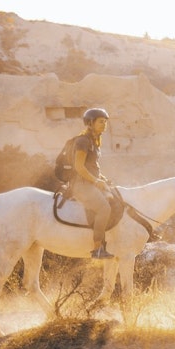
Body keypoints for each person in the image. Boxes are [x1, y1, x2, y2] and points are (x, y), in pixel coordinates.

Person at [69, 107, 115, 260]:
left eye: (106, 122)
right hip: (81, 185)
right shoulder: (83, 141)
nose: (104, 125)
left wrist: (103, 179)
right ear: (90, 123)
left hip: (90, 183)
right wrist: (96, 181)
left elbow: (92, 167)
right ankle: (98, 249)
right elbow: (79, 167)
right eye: (101, 122)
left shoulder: (94, 141)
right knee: (104, 209)